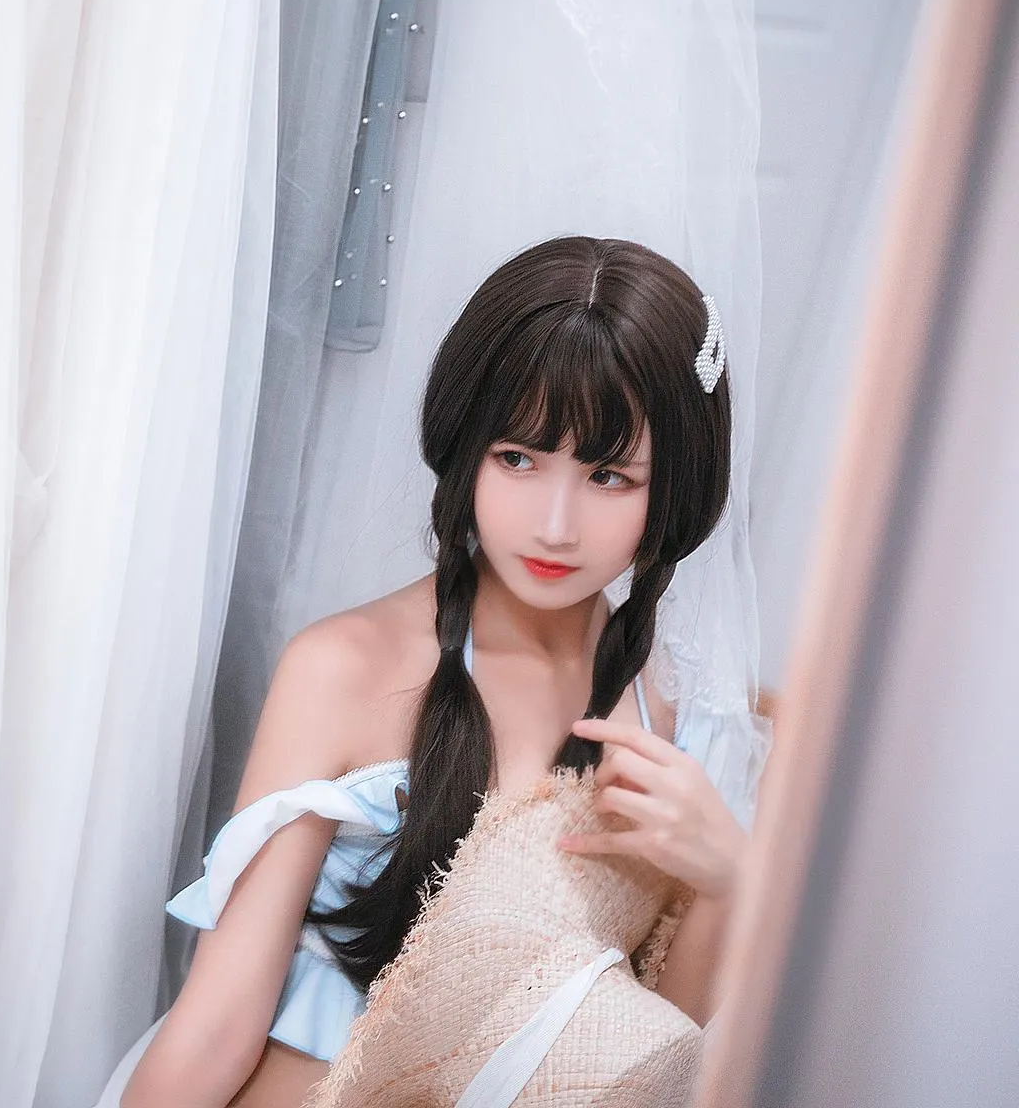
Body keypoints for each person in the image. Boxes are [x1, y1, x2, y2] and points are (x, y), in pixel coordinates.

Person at [101, 236, 754, 1108]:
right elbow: (218, 1024)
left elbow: (644, 1056)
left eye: (608, 476)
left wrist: (728, 882)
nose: (555, 525)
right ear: (466, 445)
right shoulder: (346, 670)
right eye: (517, 458)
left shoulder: (669, 705)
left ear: (672, 487)